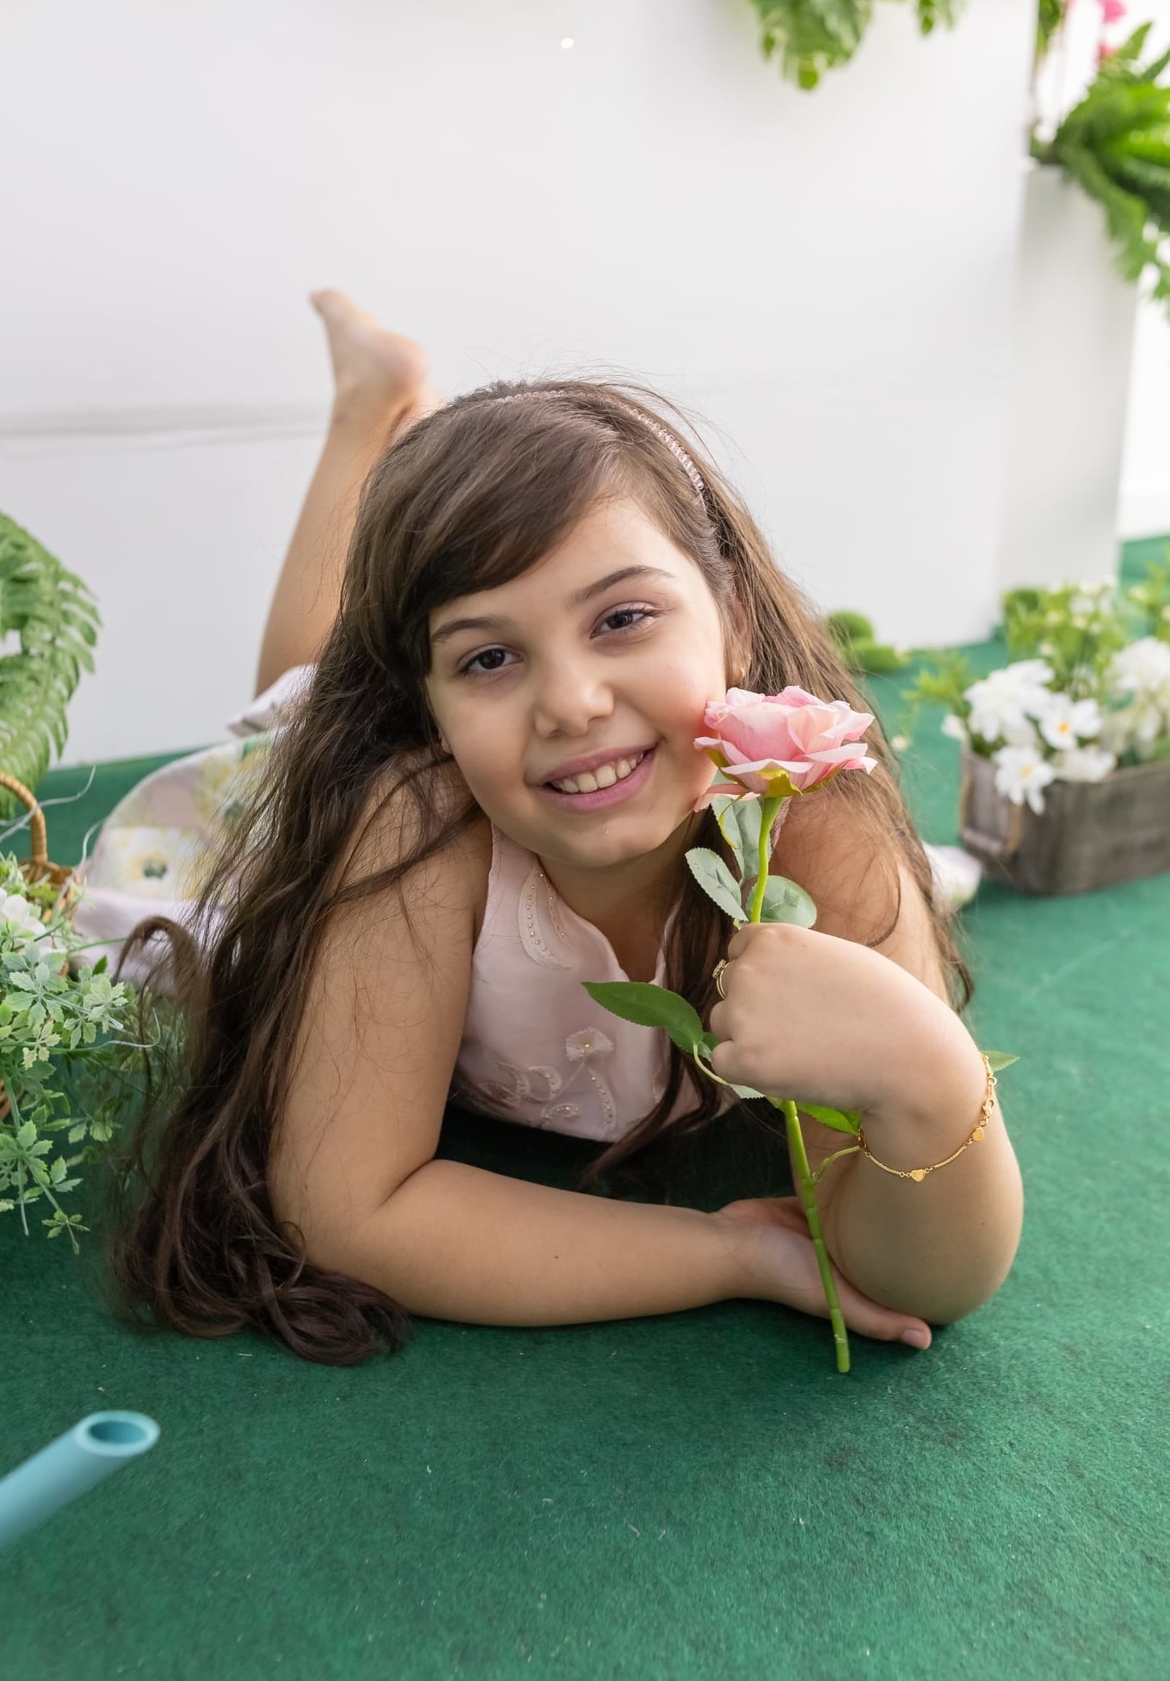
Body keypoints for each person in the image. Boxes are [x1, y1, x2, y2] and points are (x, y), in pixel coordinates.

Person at [92, 290, 1022, 1367]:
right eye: (488, 657)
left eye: (623, 618)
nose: (572, 700)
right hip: (285, 808)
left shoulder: (815, 832)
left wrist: (935, 1079)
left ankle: (388, 414)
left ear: (737, 621)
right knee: (296, 710)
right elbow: (349, 1210)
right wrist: (729, 1253)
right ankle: (370, 408)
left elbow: (927, 1278)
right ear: (426, 710)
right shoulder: (414, 826)